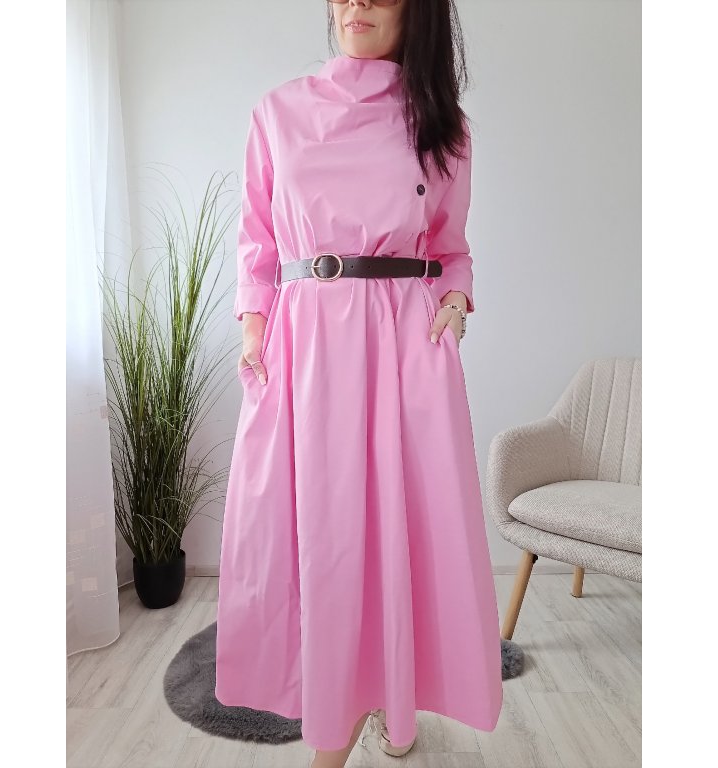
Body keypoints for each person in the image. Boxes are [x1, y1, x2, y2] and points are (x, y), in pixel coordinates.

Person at [215, 1, 503, 766]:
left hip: (403, 344)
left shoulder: (442, 127)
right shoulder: (277, 114)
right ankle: (344, 710)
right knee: (327, 539)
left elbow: (451, 248)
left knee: (398, 531)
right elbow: (256, 240)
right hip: (306, 346)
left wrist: (454, 303)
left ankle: (382, 700)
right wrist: (253, 328)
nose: (357, 2)